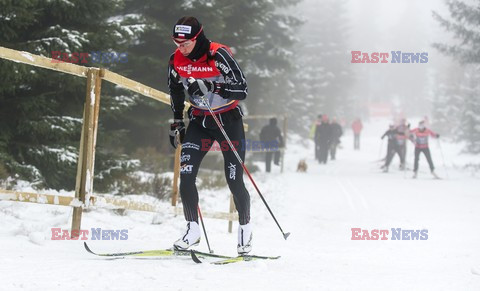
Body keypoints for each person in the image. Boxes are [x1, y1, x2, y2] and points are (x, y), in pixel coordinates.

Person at [167, 16, 252, 254]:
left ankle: (245, 228)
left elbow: (242, 89)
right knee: (186, 175)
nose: (180, 47)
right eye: (176, 42)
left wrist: (213, 87)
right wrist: (176, 123)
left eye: (185, 43)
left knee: (234, 180)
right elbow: (175, 91)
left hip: (228, 121)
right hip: (200, 121)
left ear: (197, 38)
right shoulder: (176, 60)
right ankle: (192, 229)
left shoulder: (219, 55)